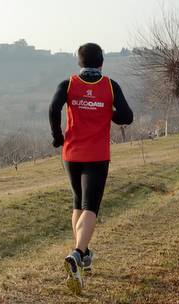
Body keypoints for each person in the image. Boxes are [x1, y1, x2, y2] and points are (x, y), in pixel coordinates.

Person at [49, 43, 133, 294]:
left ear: (79, 62)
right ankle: (76, 254)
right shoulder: (110, 86)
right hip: (96, 155)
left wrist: (57, 136)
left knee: (78, 204)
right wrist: (108, 112)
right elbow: (127, 117)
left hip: (71, 154)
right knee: (90, 207)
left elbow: (53, 109)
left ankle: (83, 256)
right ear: (102, 62)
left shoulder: (69, 84)